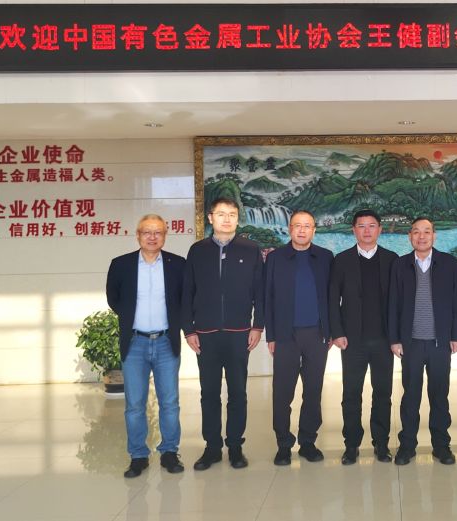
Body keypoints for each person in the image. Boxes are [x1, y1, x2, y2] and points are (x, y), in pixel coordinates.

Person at [182, 197, 264, 471]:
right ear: (210, 218)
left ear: (238, 219)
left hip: (239, 333)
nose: (226, 219)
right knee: (209, 393)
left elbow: (260, 292)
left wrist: (257, 325)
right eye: (221, 214)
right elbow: (187, 292)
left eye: (232, 214)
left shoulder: (251, 250)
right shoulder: (198, 251)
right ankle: (212, 447)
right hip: (205, 333)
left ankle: (236, 447)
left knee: (238, 392)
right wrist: (188, 330)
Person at [106, 214, 186, 478]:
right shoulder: (121, 264)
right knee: (134, 404)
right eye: (147, 232)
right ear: (138, 235)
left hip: (165, 342)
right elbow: (114, 299)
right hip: (135, 343)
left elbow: (184, 299)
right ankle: (138, 455)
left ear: (165, 236)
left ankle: (169, 452)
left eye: (158, 232)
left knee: (170, 402)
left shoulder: (178, 265)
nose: (152, 237)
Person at [387, 217, 457, 466]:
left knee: (439, 394)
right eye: (417, 232)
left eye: (427, 232)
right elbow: (393, 304)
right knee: (411, 396)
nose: (422, 236)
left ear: (434, 236)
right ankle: (407, 446)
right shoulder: (400, 265)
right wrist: (395, 339)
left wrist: (456, 335)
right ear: (410, 236)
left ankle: (441, 446)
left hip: (440, 342)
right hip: (410, 342)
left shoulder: (449, 263)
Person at [328, 209, 398, 465]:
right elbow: (332, 299)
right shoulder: (342, 260)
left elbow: (399, 301)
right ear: (353, 230)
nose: (367, 231)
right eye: (361, 226)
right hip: (352, 340)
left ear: (380, 229)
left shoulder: (392, 259)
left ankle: (381, 443)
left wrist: (397, 337)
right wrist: (337, 332)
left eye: (371, 226)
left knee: (383, 393)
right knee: (351, 394)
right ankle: (351, 444)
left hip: (384, 340)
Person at [265, 210, 334, 466]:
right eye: (297, 226)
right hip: (285, 334)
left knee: (313, 391)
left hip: (317, 334)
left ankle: (308, 441)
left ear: (314, 230)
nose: (302, 230)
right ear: (289, 229)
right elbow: (268, 297)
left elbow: (332, 297)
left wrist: (331, 331)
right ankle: (283, 444)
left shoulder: (325, 257)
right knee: (282, 392)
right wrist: (271, 334)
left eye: (307, 226)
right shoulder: (275, 258)